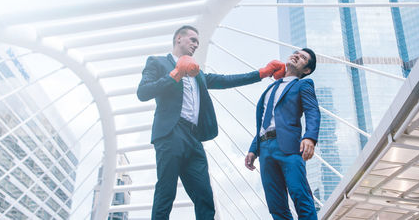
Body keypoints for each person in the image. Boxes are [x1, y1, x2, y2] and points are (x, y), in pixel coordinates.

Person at [137, 25, 284, 220]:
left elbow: (226, 80)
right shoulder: (157, 62)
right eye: (193, 40)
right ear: (178, 39)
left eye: (198, 42)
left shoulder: (197, 73)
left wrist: (262, 73)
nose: (196, 45)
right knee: (166, 191)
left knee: (205, 197)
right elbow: (143, 92)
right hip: (171, 133)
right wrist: (175, 75)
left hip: (194, 138)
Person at [245, 48, 320, 220]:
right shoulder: (271, 87)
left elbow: (312, 111)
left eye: (302, 58)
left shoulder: (303, 84)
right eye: (296, 53)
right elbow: (266, 122)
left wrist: (310, 137)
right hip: (265, 150)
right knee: (275, 205)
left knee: (300, 196)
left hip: (289, 148)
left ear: (306, 70)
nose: (296, 56)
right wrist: (253, 149)